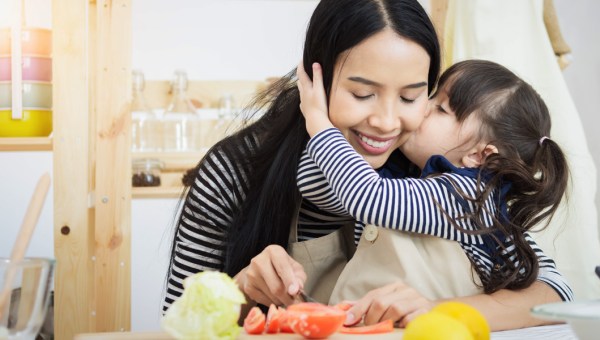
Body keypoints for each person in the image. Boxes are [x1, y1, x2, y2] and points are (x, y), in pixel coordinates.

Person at [162, 0, 566, 330]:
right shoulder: (234, 173)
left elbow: (552, 289)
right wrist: (240, 290)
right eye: (362, 93)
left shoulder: (438, 175)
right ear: (315, 84)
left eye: (411, 98)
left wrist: (435, 309)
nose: (388, 122)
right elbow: (174, 323)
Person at [296, 58, 573, 325]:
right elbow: (312, 186)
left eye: (441, 108)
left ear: (480, 156)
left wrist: (319, 120)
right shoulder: (406, 173)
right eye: (430, 96)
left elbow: (367, 197)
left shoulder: (467, 195)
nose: (422, 107)